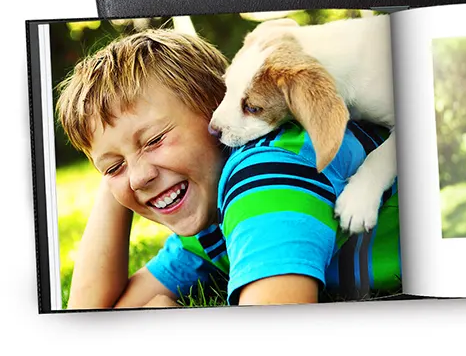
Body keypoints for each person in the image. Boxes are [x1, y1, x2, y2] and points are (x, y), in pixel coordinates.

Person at [57, 28, 400, 309]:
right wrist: (120, 170)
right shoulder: (206, 225)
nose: (139, 175)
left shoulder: (265, 176)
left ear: (215, 112)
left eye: (154, 140)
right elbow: (88, 318)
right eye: (114, 166)